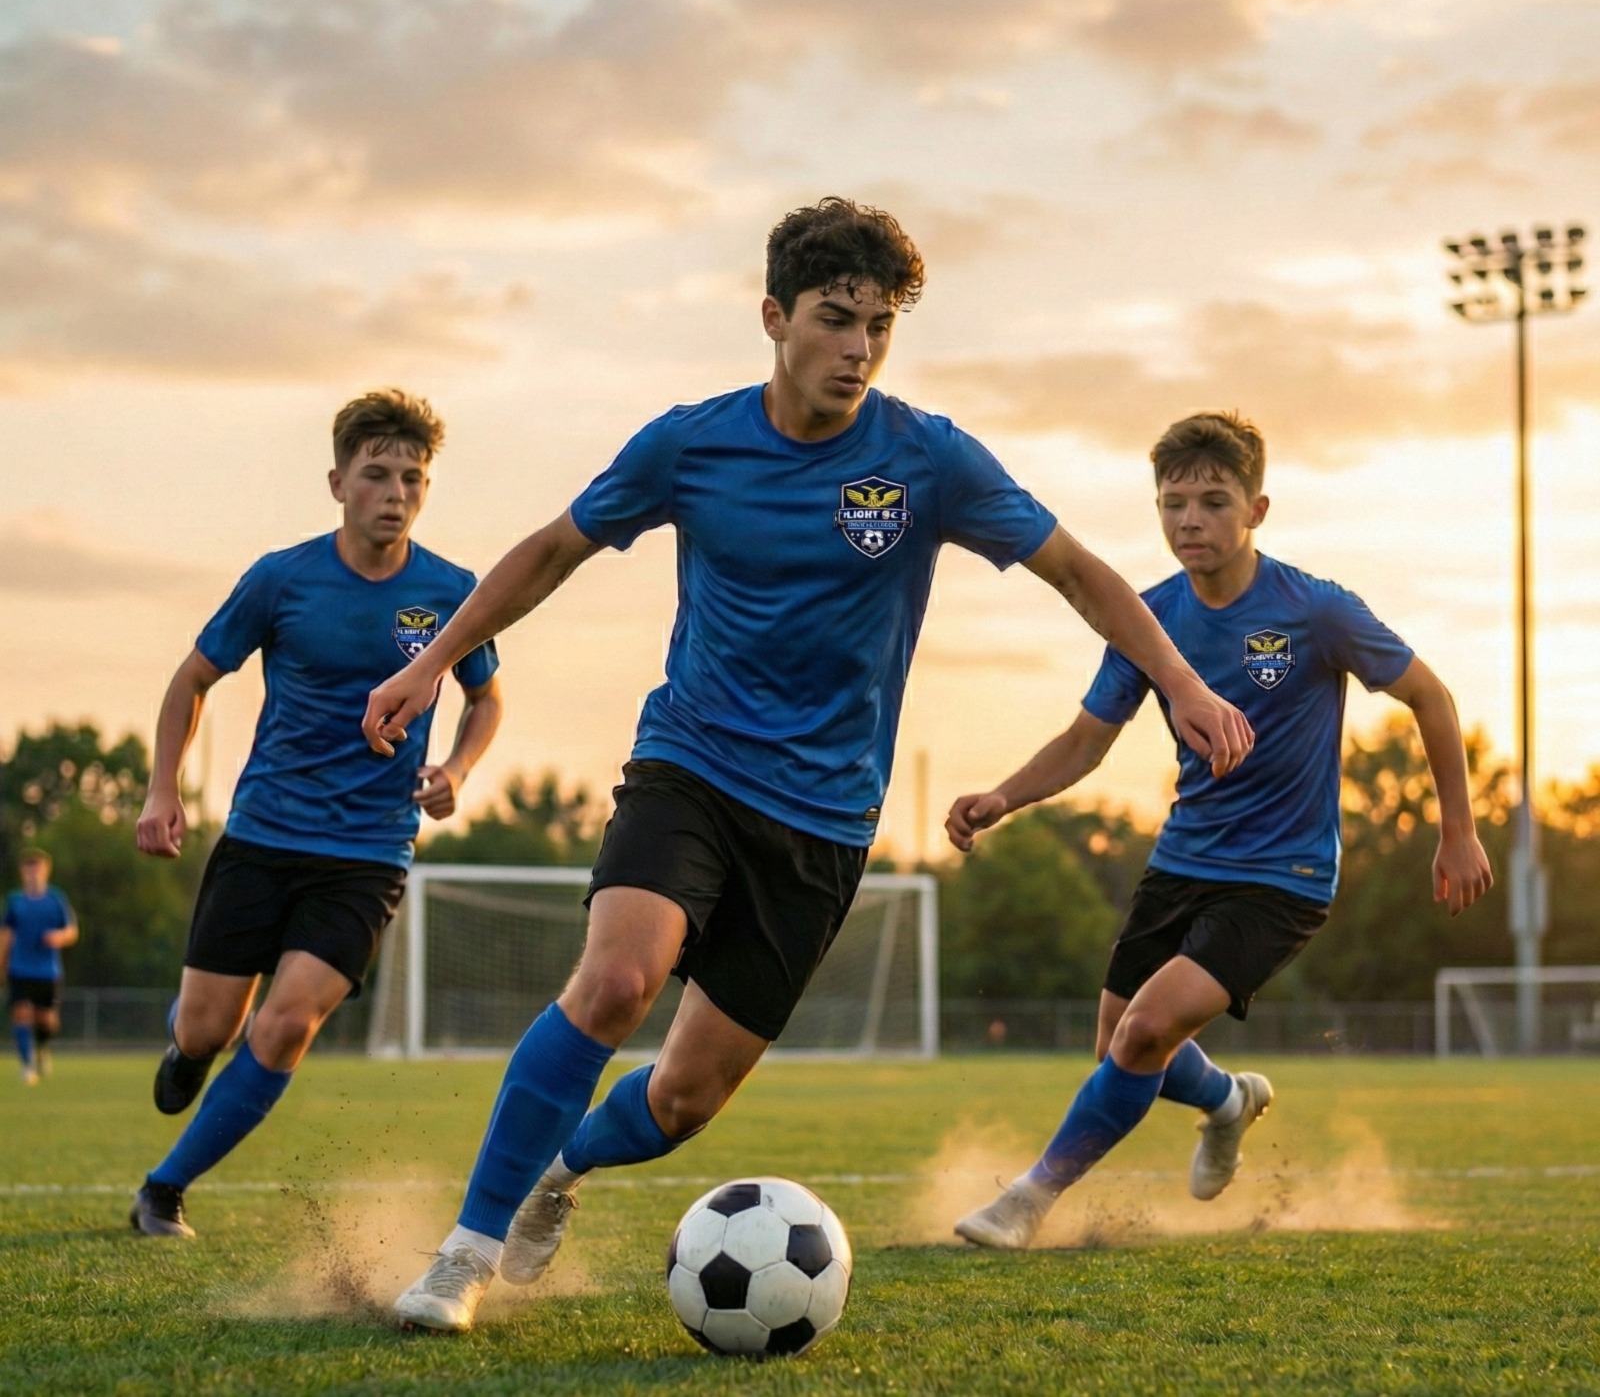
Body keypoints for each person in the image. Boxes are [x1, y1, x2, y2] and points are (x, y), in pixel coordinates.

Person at [363, 198, 1254, 1333]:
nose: (859, 350)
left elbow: (1080, 573)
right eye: (837, 320)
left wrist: (1181, 682)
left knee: (684, 1098)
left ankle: (560, 1169)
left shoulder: (928, 459)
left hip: (824, 822)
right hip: (688, 765)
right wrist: (434, 662)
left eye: (880, 327)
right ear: (775, 316)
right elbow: (549, 550)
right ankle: (463, 1254)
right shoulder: (691, 442)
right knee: (618, 980)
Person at [948, 410, 1493, 1250]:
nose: (1189, 521)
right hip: (1182, 861)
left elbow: (1432, 696)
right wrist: (1004, 796)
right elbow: (1087, 741)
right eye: (1172, 504)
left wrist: (1457, 830)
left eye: (1212, 501)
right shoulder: (1148, 617)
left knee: (1143, 1034)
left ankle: (1027, 1200)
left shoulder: (1316, 610)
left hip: (1284, 876)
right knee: (1120, 1043)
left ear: (1257, 511)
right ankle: (1227, 1100)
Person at [128, 389, 503, 1239]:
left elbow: (486, 700)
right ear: (338, 483)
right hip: (262, 836)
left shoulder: (451, 592)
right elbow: (192, 680)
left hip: (369, 853)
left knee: (287, 1022)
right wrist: (162, 790)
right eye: (377, 474)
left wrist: (458, 767)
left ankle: (163, 1189)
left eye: (413, 477)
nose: (396, 492)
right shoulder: (281, 579)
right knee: (208, 1025)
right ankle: (186, 1048)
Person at [3, 849, 78, 1084]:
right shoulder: (15, 901)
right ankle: (28, 1066)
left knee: (46, 1020)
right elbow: (6, 934)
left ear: (46, 871)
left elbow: (72, 931)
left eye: (38, 869)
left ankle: (42, 1047)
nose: (33, 874)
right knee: (22, 1014)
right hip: (20, 968)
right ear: (23, 872)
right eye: (29, 870)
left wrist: (59, 937)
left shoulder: (56, 899)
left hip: (47, 971)